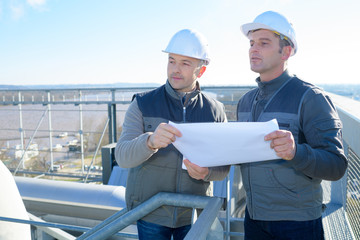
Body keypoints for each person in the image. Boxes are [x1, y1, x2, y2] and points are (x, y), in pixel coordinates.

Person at [237, 11, 348, 240]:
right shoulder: (245, 102)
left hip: (297, 224)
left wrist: (296, 152)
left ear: (286, 51)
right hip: (254, 220)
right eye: (251, 43)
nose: (253, 49)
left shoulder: (310, 97)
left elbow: (336, 165)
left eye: (264, 43)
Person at [115, 29, 230, 240]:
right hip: (150, 213)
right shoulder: (141, 103)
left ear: (201, 70)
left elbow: (223, 168)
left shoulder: (216, 111)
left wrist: (206, 173)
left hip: (194, 215)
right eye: (171, 61)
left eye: (185, 63)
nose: (175, 70)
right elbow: (122, 157)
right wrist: (149, 142)